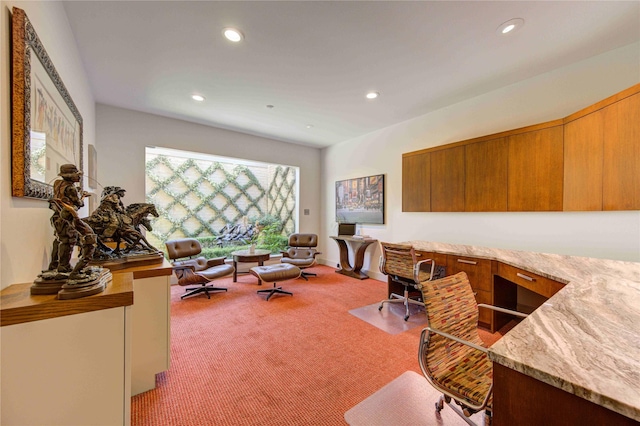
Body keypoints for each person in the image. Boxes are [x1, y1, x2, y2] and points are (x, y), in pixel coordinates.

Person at [48, 164, 96, 279]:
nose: (79, 178)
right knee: (68, 241)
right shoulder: (71, 188)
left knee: (61, 240)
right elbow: (78, 204)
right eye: (77, 175)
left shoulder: (57, 183)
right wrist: (83, 196)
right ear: (70, 176)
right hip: (67, 217)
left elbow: (62, 198)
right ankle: (63, 266)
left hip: (56, 217)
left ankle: (58, 265)